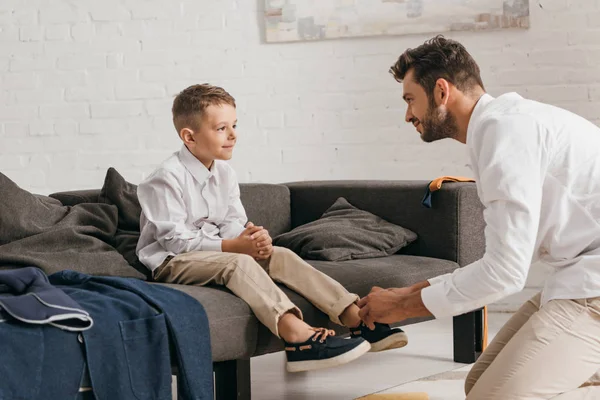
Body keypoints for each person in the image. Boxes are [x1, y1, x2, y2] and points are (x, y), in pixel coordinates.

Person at [357, 35, 600, 399]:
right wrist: (410, 291)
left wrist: (402, 306)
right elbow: (513, 252)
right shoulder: (506, 124)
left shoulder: (505, 134)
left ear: (441, 91)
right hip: (577, 276)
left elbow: (506, 272)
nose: (408, 115)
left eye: (410, 100)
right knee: (476, 384)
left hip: (593, 290)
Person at [135, 84, 408, 373]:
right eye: (221, 128)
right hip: (172, 261)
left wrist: (251, 238)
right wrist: (234, 247)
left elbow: (231, 222)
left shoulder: (224, 173)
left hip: (214, 253)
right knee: (238, 264)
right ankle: (299, 339)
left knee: (281, 255)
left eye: (234, 126)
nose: (233, 135)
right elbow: (176, 241)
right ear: (189, 137)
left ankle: (356, 318)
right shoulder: (164, 179)